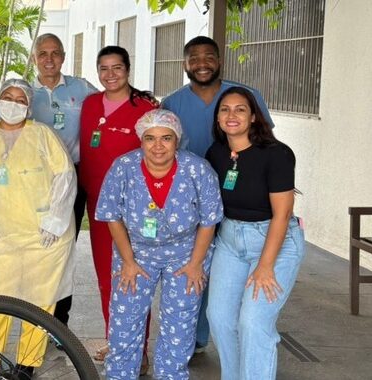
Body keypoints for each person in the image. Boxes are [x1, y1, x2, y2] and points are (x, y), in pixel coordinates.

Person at [161, 36, 275, 352]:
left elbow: (267, 144)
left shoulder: (245, 96)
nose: (201, 63)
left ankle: (239, 337)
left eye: (208, 57)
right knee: (192, 267)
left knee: (234, 273)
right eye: (193, 58)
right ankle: (194, 338)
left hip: (240, 203)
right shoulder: (172, 103)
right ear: (184, 64)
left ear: (219, 60)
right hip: (189, 203)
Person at [95, 109, 223, 380]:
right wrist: (128, 262)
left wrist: (195, 264)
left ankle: (172, 375)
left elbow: (209, 220)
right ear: (140, 140)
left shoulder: (197, 169)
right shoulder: (124, 167)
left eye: (166, 138)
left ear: (178, 140)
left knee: (179, 328)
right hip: (136, 253)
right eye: (150, 138)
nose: (158, 146)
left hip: (186, 254)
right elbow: (111, 215)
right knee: (125, 325)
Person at [0, 79, 76, 376]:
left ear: (28, 105)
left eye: (20, 99)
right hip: (1, 233)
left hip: (44, 235)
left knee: (39, 303)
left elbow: (65, 177)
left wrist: (54, 220)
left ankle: (26, 364)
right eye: (7, 97)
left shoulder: (43, 135)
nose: (13, 103)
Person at [205, 87, 303, 380]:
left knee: (253, 323)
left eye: (240, 109)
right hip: (230, 241)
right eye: (225, 109)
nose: (231, 115)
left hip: (274, 241)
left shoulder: (277, 154)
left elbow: (282, 214)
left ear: (253, 117)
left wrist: (265, 265)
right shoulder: (217, 153)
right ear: (218, 118)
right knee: (219, 319)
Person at [78, 45, 157, 365]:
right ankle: (118, 342)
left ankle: (138, 352)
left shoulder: (146, 109)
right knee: (106, 279)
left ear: (128, 69)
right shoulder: (90, 104)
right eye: (104, 68)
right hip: (99, 208)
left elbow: (160, 154)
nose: (110, 75)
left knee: (135, 275)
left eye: (117, 68)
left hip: (136, 210)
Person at [29, 33, 99, 328]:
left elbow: (111, 100)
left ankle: (59, 323)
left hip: (72, 180)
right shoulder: (24, 92)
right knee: (35, 249)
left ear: (63, 56)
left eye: (55, 53)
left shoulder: (80, 88)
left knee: (64, 247)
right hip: (31, 184)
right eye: (42, 53)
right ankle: (34, 317)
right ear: (34, 57)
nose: (49, 59)